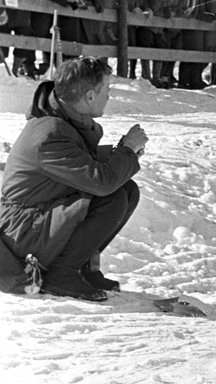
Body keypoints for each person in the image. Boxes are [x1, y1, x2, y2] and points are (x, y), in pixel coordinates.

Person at [0, 56, 147, 301]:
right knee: (112, 197)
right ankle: (61, 274)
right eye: (106, 91)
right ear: (89, 96)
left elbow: (80, 163)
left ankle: (81, 268)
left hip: (36, 216)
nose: (109, 96)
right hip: (21, 231)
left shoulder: (62, 121)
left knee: (126, 189)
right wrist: (127, 151)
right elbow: (100, 182)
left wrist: (120, 153)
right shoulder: (51, 134)